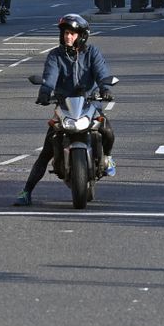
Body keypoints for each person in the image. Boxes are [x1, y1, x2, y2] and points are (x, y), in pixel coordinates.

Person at [14, 14, 117, 205]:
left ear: (82, 35)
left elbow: (102, 73)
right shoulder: (55, 55)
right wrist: (44, 93)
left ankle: (108, 158)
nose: (67, 37)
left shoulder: (92, 53)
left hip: (90, 104)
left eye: (72, 33)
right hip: (65, 106)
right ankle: (26, 192)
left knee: (107, 130)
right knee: (46, 150)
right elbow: (50, 77)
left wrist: (105, 89)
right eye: (65, 33)